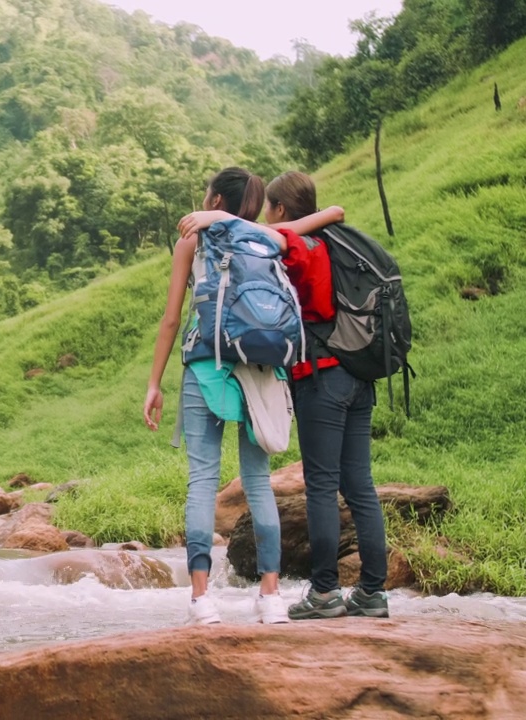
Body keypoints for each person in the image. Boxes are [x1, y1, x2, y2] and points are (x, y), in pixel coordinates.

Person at [179, 171, 390, 620]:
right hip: (361, 375)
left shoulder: (288, 243)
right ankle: (372, 592)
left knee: (320, 483)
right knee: (361, 486)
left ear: (277, 211)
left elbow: (257, 234)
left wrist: (215, 214)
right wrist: (331, 212)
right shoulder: (340, 242)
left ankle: (324, 592)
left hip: (321, 376)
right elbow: (331, 215)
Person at [143, 167, 338, 625]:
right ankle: (271, 596)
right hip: (262, 369)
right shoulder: (267, 236)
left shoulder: (193, 238)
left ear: (214, 201)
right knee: (257, 481)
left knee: (203, 481)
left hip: (207, 366)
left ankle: (201, 598)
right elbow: (333, 212)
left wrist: (154, 384)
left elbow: (172, 319)